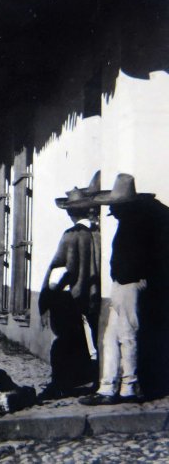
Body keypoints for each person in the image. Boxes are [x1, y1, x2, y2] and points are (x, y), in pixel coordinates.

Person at [80, 173, 155, 405]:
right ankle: (107, 387)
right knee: (109, 337)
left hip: (130, 284)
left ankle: (129, 388)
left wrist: (130, 279)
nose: (114, 210)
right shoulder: (126, 225)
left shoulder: (138, 226)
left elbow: (142, 260)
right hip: (121, 284)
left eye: (117, 206)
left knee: (127, 335)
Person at [39, 176, 102, 399]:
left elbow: (59, 270)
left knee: (65, 343)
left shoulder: (71, 236)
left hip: (70, 299)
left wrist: (47, 297)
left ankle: (62, 384)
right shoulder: (98, 234)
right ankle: (96, 380)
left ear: (70, 213)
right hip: (96, 296)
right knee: (94, 341)